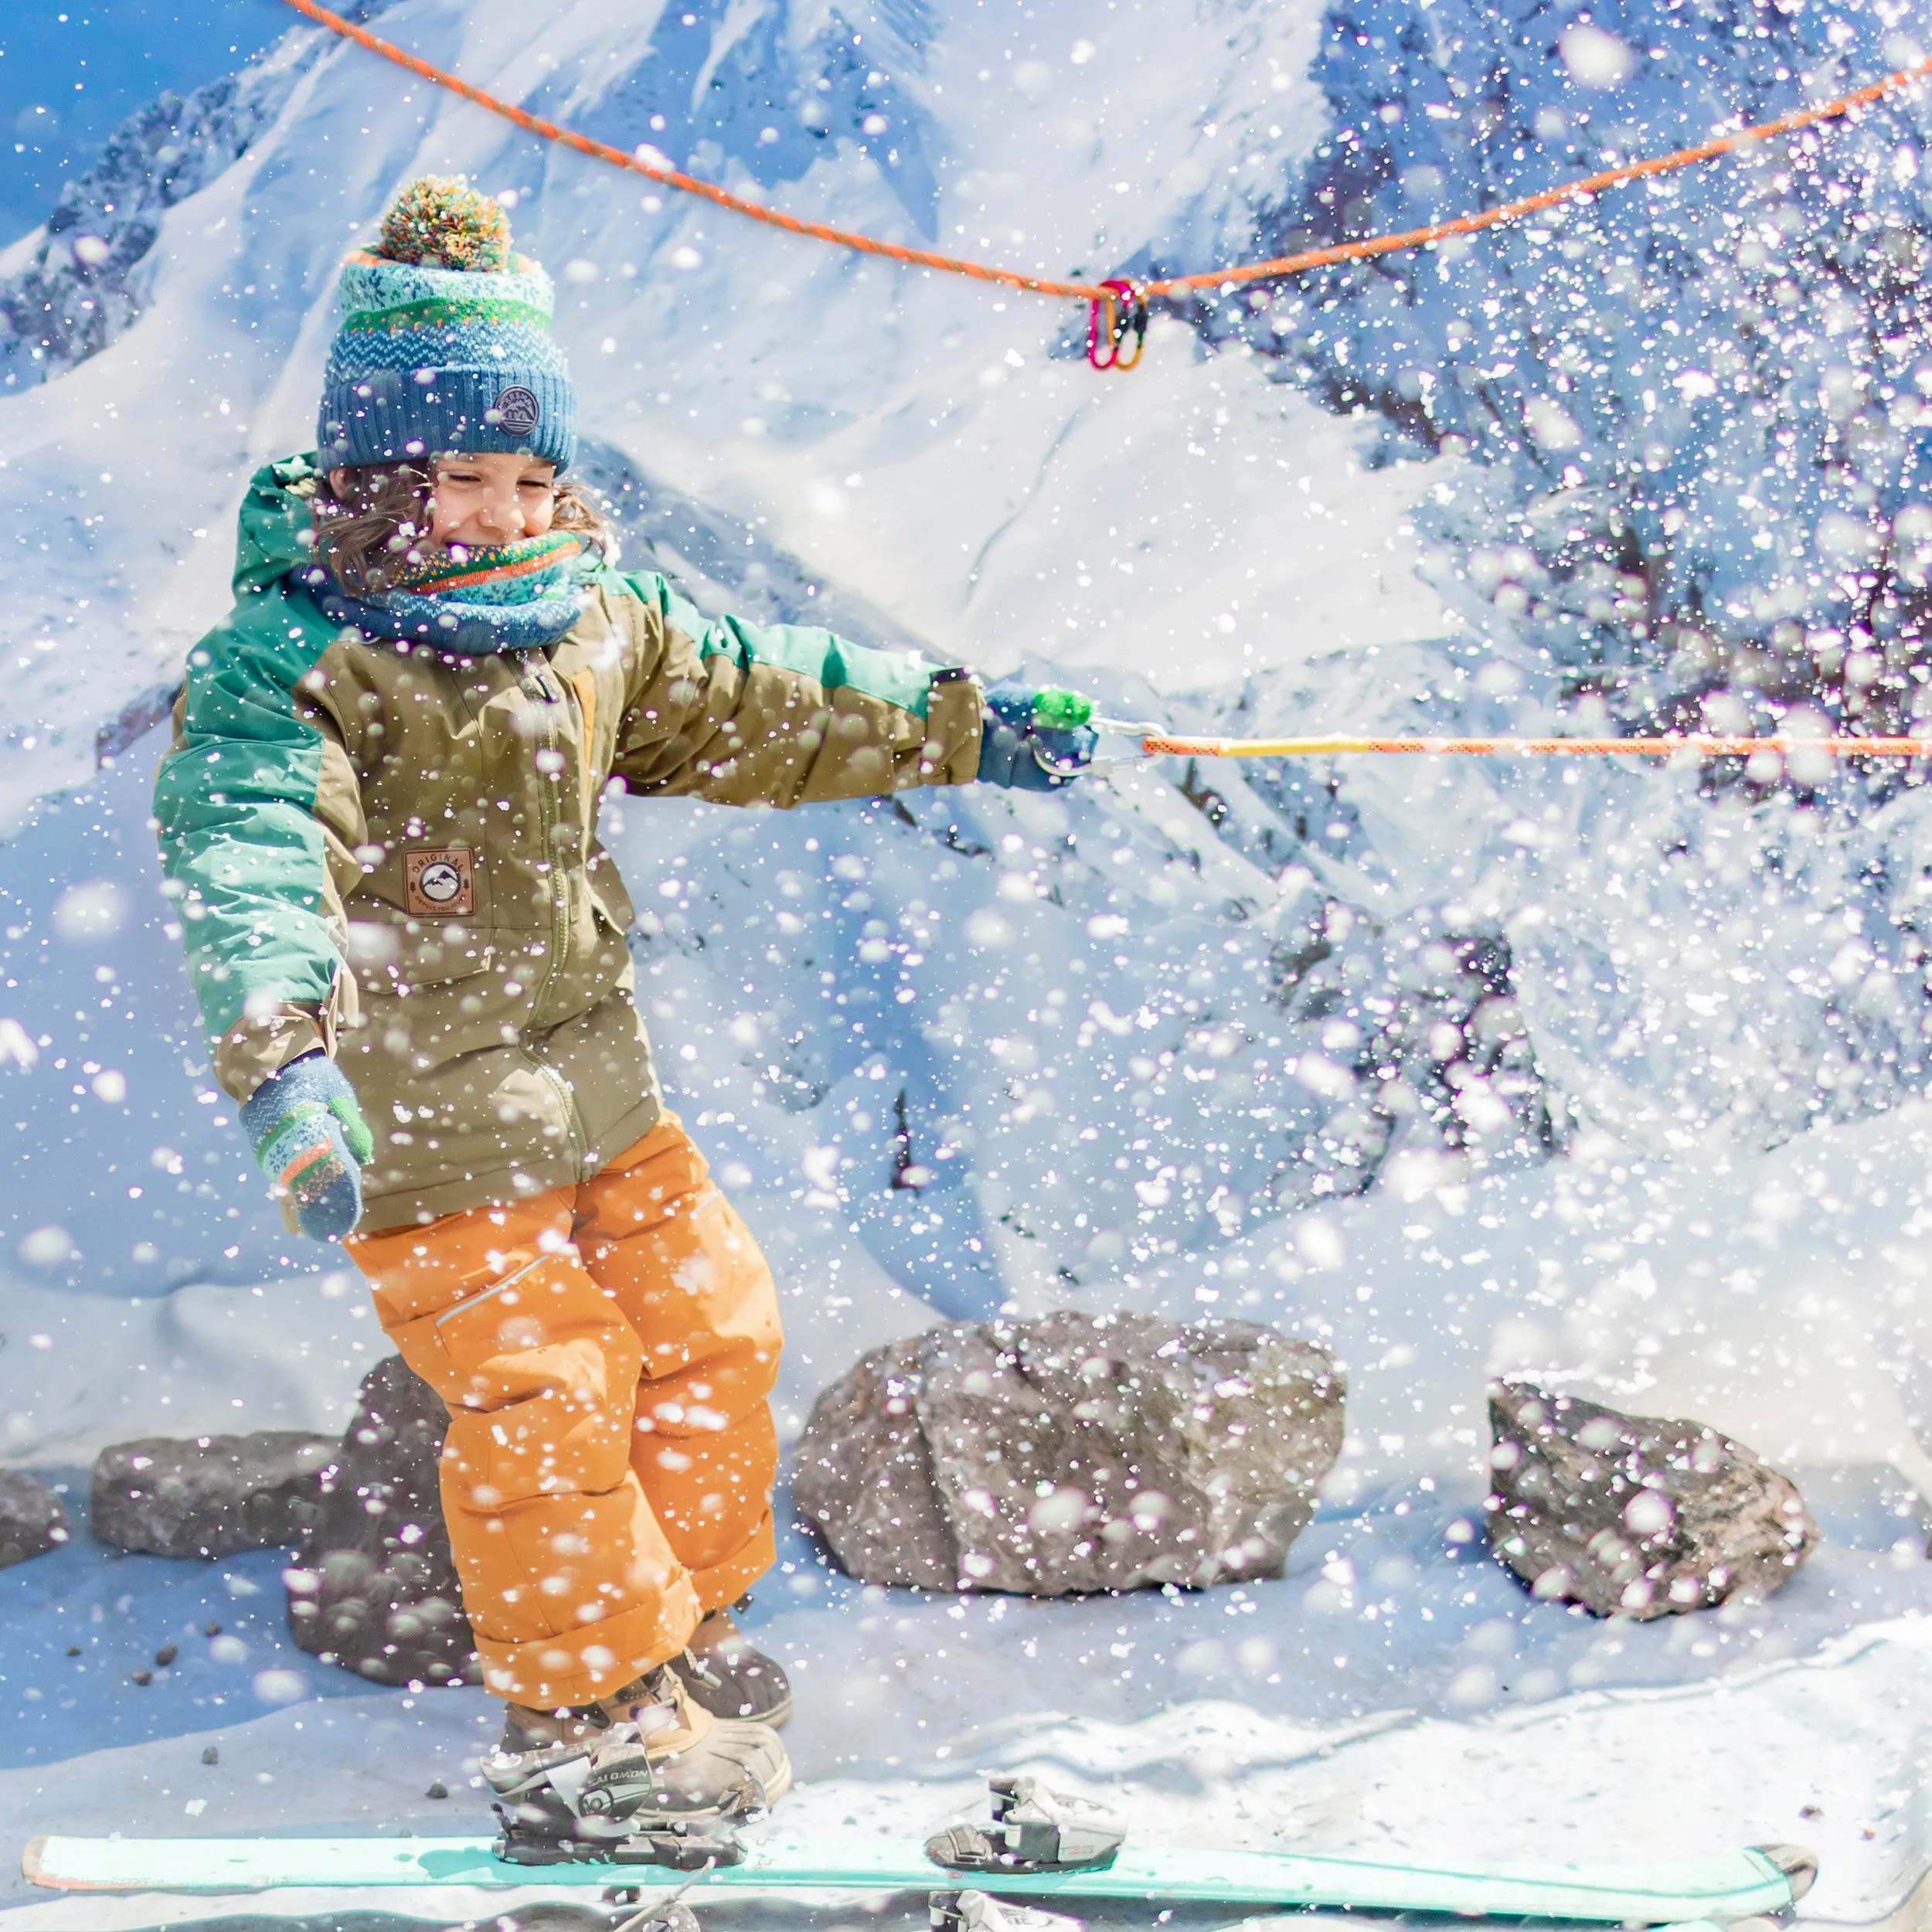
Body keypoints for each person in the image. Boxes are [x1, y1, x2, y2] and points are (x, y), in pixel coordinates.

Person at [152, 176, 1097, 1856]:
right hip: (427, 1131)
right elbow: (249, 849)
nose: (504, 509)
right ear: (378, 477)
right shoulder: (298, 662)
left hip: (599, 1098)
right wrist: (288, 1059)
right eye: (464, 477)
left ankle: (679, 1635)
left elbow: (770, 696)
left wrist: (965, 727)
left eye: (531, 476)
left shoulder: (587, 622)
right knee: (547, 1385)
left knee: (711, 1323)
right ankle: (584, 1721)